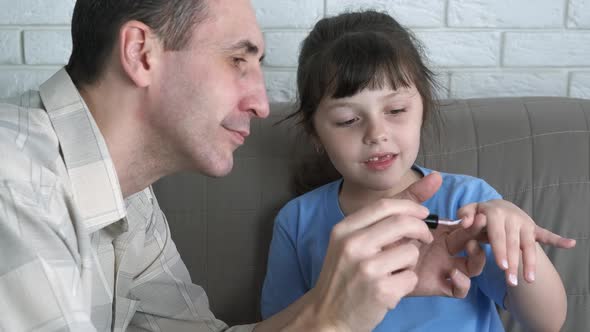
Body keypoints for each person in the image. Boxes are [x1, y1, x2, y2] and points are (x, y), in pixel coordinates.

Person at [0, 1, 516, 331]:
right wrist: (332, 319)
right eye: (238, 60)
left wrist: (335, 307)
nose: (263, 104)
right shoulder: (16, 182)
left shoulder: (131, 202)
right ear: (141, 53)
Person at [260, 10, 577, 332]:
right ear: (315, 133)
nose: (376, 133)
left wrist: (517, 239)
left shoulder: (468, 202)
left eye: (396, 110)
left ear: (423, 109)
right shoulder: (297, 221)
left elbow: (547, 322)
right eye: (347, 120)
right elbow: (284, 325)